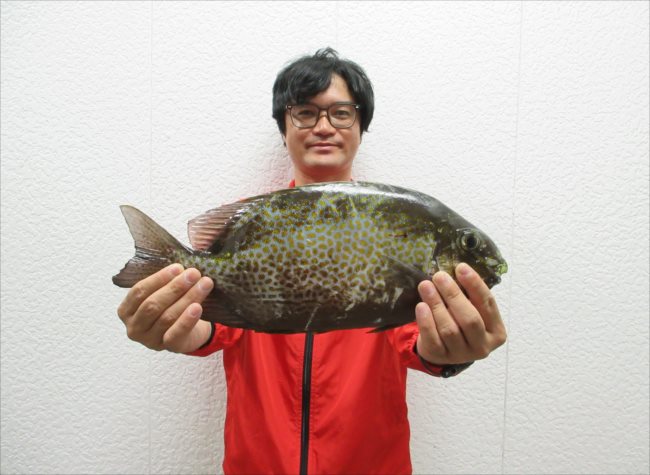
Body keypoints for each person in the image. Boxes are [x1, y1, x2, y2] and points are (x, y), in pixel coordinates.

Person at [117, 47, 507, 475]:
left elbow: (419, 340)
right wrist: (176, 323)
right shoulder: (254, 221)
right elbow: (213, 326)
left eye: (341, 113)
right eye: (305, 112)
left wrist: (452, 352)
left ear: (361, 126)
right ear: (283, 128)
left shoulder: (396, 224)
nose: (324, 126)